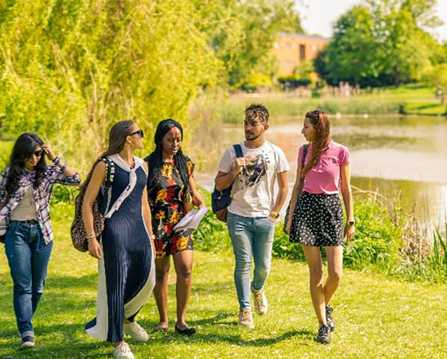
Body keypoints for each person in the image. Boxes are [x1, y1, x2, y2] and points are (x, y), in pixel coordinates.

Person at [0, 133, 80, 349]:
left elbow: (76, 180)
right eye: (30, 154)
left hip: (42, 233)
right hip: (16, 232)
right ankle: (27, 333)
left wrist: (55, 158)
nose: (34, 158)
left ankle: (25, 318)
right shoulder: (9, 174)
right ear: (21, 154)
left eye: (38, 153)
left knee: (37, 287)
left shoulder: (47, 172)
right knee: (23, 285)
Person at [82, 120, 156, 359]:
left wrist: (151, 234)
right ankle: (118, 341)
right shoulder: (106, 166)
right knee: (115, 285)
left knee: (148, 279)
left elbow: (144, 203)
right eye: (139, 133)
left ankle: (128, 317)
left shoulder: (143, 166)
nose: (143, 137)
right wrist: (92, 238)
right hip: (114, 230)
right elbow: (87, 203)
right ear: (128, 138)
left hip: (139, 230)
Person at [214, 104, 289, 328]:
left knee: (264, 266)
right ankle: (245, 308)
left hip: (265, 218)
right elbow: (219, 184)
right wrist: (234, 170)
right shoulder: (232, 152)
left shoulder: (276, 152)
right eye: (245, 123)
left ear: (265, 126)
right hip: (238, 216)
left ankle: (257, 289)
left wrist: (275, 213)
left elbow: (284, 187)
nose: (248, 127)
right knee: (243, 263)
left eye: (253, 123)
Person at [286, 109, 354, 344]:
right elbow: (297, 185)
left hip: (332, 209)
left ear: (319, 128)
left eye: (306, 126)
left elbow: (346, 189)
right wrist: (290, 217)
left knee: (336, 273)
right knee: (316, 272)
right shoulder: (304, 151)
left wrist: (350, 219)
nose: (302, 131)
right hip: (306, 208)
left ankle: (325, 305)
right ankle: (323, 325)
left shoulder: (341, 152)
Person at [146, 119, 204, 335]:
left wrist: (202, 204)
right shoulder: (148, 164)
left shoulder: (184, 163)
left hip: (181, 222)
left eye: (178, 139)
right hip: (157, 223)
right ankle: (163, 320)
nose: (175, 143)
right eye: (170, 139)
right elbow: (143, 197)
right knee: (161, 273)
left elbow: (192, 190)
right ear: (160, 139)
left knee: (186, 269)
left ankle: (182, 321)